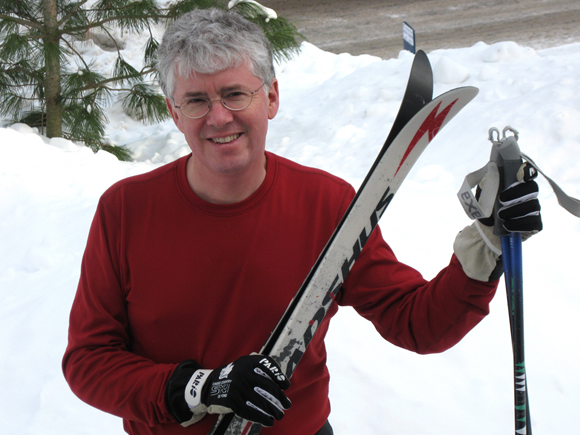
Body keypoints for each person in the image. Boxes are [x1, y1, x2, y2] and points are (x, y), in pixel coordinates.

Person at [62, 7, 542, 435]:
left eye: (235, 94)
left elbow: (418, 323)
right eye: (196, 101)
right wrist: (199, 388)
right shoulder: (124, 211)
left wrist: (486, 246)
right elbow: (88, 361)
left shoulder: (327, 204)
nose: (218, 117)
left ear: (270, 97)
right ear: (173, 112)